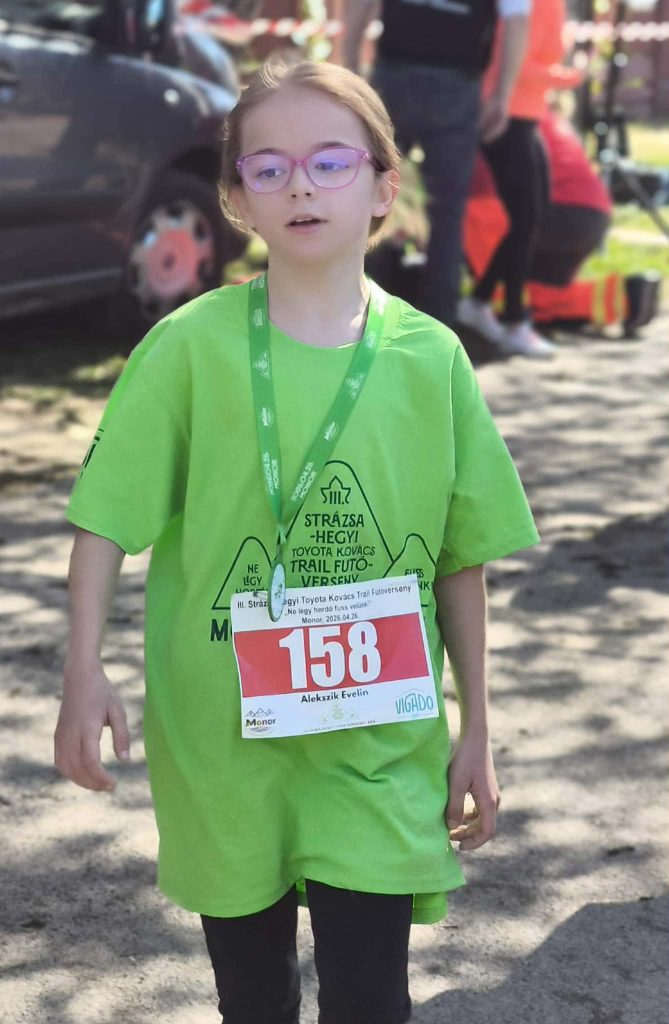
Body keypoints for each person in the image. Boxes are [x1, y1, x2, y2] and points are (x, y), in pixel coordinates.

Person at [54, 59, 539, 1024]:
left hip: (377, 735)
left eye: (329, 161)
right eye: (268, 169)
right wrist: (82, 668)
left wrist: (476, 727)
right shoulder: (188, 347)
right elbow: (106, 516)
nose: (301, 187)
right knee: (254, 997)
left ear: (383, 186)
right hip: (226, 740)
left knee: (370, 998)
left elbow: (461, 557)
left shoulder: (431, 359)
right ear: (236, 200)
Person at [344, 0, 531, 329]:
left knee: (369, 196)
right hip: (457, 82)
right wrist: (502, 96)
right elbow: (517, 22)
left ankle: (359, 317)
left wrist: (351, 66)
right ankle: (440, 329)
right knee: (448, 213)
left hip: (394, 75)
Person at [457, 0, 581, 357]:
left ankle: (480, 302)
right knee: (525, 218)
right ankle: (513, 320)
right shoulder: (533, 6)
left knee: (531, 217)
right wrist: (571, 77)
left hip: (526, 114)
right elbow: (518, 66)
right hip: (504, 113)